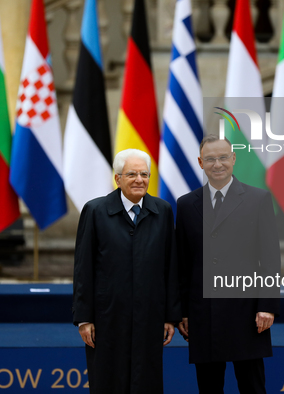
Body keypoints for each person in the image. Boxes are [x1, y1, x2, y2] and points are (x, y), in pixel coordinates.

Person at [176, 135, 281, 394]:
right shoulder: (187, 204)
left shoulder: (258, 199)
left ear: (233, 159)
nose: (217, 164)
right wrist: (182, 312)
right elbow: (182, 263)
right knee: (209, 388)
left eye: (223, 157)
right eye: (210, 159)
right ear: (200, 163)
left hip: (246, 313)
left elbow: (270, 258)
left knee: (252, 386)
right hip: (203, 314)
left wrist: (266, 305)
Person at [72, 148, 181, 394]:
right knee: (108, 383)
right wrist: (84, 318)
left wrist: (170, 316)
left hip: (149, 319)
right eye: (131, 174)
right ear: (118, 178)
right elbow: (83, 268)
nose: (139, 180)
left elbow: (170, 266)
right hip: (106, 318)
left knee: (146, 383)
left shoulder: (162, 211)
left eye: (144, 174)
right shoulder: (95, 211)